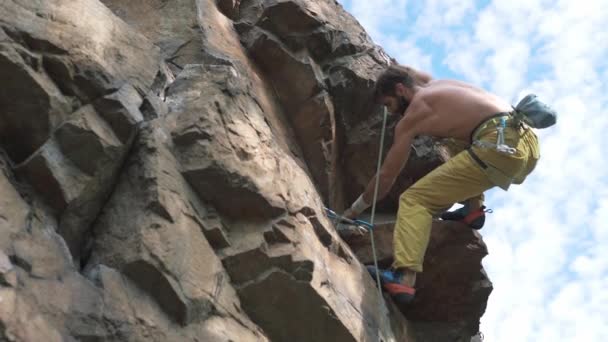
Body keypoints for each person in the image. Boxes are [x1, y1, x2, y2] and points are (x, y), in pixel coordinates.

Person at [343, 65, 540, 305]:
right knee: (449, 139)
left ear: (400, 90)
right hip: (525, 141)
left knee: (414, 200)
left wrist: (355, 209)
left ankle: (403, 277)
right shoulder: (436, 84)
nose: (391, 113)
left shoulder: (414, 114)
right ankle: (472, 209)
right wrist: (390, 69)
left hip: (498, 147)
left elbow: (387, 176)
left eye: (388, 104)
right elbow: (408, 71)